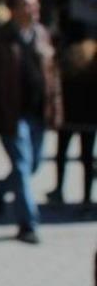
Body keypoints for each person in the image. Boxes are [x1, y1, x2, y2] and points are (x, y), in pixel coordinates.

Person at [0, 0, 63, 244]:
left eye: (36, 3)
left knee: (32, 165)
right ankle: (28, 224)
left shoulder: (42, 35)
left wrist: (56, 109)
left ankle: (0, 187)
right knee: (21, 165)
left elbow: (52, 76)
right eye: (29, 4)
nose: (35, 9)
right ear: (14, 9)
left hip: (38, 112)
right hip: (12, 114)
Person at [48, 21, 96, 209]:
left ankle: (59, 189)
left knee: (61, 155)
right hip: (90, 117)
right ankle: (86, 198)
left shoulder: (64, 56)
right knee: (87, 158)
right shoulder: (92, 56)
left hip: (68, 115)